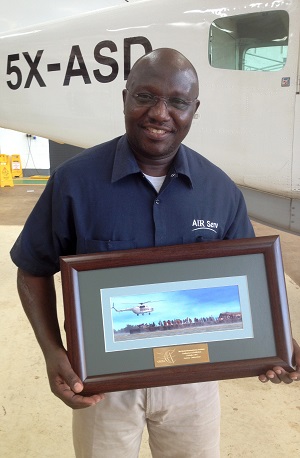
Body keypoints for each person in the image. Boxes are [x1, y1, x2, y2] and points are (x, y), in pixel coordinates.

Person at [10, 48, 300, 458]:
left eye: (178, 102)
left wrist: (276, 342)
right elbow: (31, 269)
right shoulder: (74, 183)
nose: (160, 114)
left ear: (194, 109)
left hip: (194, 381)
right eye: (145, 96)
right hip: (103, 383)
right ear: (125, 97)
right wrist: (53, 352)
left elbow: (252, 280)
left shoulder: (219, 192)